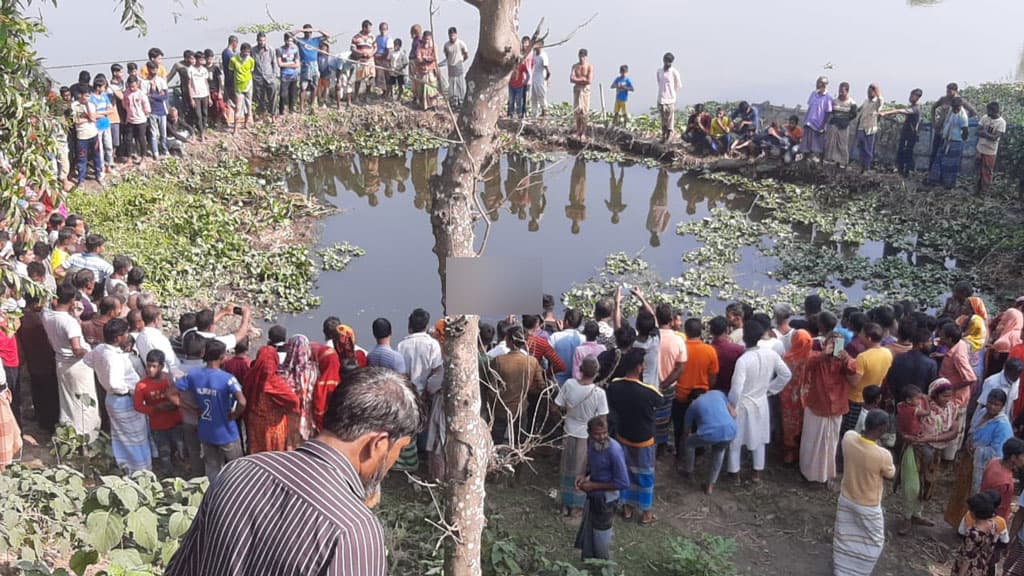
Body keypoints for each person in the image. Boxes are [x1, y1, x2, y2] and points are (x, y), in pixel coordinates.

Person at [164, 367, 423, 576]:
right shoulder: (353, 530)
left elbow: (183, 567)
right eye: (399, 449)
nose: (392, 464)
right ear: (377, 444)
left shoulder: (239, 470)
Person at [833, 410, 896, 576]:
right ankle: (859, 571)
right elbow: (890, 474)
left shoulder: (848, 438)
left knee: (845, 536)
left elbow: (856, 435)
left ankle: (842, 570)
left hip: (846, 497)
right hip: (868, 504)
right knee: (874, 541)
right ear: (881, 428)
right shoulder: (883, 455)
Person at [173, 340, 246, 481]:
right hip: (226, 431)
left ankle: (214, 494)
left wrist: (190, 408)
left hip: (206, 430)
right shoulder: (228, 379)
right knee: (238, 468)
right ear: (221, 357)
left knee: (212, 467)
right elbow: (242, 401)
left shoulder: (193, 375)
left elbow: (170, 393)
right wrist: (234, 415)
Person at [727, 321, 792, 482]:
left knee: (736, 440)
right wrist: (770, 389)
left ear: (745, 337)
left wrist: (732, 404)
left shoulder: (743, 360)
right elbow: (786, 375)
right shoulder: (770, 355)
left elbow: (736, 388)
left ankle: (735, 474)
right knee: (760, 438)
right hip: (761, 401)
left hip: (743, 403)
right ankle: (756, 473)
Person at [84, 318, 151, 472]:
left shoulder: (101, 349)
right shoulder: (112, 357)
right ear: (118, 338)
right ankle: (139, 471)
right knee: (134, 438)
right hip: (124, 400)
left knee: (122, 437)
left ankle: (127, 467)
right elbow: (115, 384)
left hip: (112, 399)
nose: (127, 336)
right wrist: (130, 390)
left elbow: (87, 360)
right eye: (125, 333)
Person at [606, 348, 661, 525]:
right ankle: (646, 512)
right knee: (645, 475)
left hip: (623, 436)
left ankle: (627, 508)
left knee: (626, 471)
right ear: (639, 368)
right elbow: (659, 403)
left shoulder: (614, 385)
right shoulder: (649, 392)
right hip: (644, 440)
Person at [43, 283, 99, 439]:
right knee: (85, 402)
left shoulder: (47, 315)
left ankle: (68, 435)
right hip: (77, 366)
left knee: (68, 402)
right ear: (73, 300)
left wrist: (75, 316)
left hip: (61, 363)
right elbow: (76, 349)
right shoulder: (69, 322)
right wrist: (91, 352)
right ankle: (86, 437)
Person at [555, 356, 609, 517]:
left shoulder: (569, 384)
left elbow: (554, 407)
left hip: (568, 431)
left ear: (580, 369)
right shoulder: (598, 393)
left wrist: (562, 419)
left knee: (566, 467)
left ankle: (564, 503)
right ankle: (576, 506)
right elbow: (602, 420)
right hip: (586, 436)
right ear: (596, 372)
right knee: (581, 470)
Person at [573, 415, 628, 560]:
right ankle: (590, 559)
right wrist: (583, 475)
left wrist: (593, 485)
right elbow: (592, 464)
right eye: (597, 434)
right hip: (594, 495)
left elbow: (623, 482)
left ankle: (604, 564)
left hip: (607, 498)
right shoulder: (591, 443)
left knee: (601, 533)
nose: (602, 437)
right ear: (590, 433)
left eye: (604, 432)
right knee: (591, 527)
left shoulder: (614, 451)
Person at [242, 336, 299, 454]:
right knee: (274, 454)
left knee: (257, 453)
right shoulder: (275, 381)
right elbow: (293, 400)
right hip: (273, 426)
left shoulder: (250, 377)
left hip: (255, 422)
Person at [672, 318, 718, 459]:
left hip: (680, 395)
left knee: (679, 427)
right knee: (699, 426)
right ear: (701, 332)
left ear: (686, 331)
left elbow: (674, 370)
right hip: (701, 396)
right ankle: (698, 452)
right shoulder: (710, 350)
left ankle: (680, 453)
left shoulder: (680, 347)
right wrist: (708, 389)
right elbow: (712, 376)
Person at [134, 349, 183, 475]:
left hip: (176, 422)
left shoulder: (170, 379)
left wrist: (174, 404)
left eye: (154, 366)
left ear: (161, 366)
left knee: (181, 450)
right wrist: (155, 409)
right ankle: (169, 478)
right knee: (164, 453)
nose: (150, 369)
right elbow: (138, 406)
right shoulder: (141, 385)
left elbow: (182, 396)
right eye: (148, 366)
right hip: (158, 426)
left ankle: (184, 474)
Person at [679, 388, 736, 494]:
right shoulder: (718, 393)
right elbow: (733, 413)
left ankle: (688, 470)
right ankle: (710, 485)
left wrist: (690, 436)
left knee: (689, 444)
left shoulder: (693, 405)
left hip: (709, 433)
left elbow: (686, 431)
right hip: (731, 430)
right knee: (719, 453)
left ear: (692, 399)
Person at [780, 329, 811, 464]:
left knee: (789, 424)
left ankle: (789, 452)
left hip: (789, 398)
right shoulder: (813, 357)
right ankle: (802, 452)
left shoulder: (786, 358)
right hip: (805, 397)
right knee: (803, 423)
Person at [926, 96, 970, 188]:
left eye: (957, 108)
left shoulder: (963, 117)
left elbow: (965, 132)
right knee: (938, 161)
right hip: (945, 139)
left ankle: (948, 184)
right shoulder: (950, 111)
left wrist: (961, 140)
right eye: (954, 107)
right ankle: (935, 181)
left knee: (951, 165)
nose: (955, 109)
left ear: (960, 107)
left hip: (955, 142)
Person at [981, 437, 1024, 525]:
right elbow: (1001, 509)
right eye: (1023, 456)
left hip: (982, 507)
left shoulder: (994, 462)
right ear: (1013, 457)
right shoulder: (1005, 483)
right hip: (992, 521)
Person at [881, 88, 923, 177]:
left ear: (917, 97)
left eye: (912, 96)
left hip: (911, 134)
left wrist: (886, 113)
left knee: (907, 152)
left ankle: (907, 171)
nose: (910, 97)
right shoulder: (912, 107)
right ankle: (901, 170)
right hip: (906, 133)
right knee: (902, 150)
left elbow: (900, 111)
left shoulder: (916, 109)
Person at [70, 86, 102, 186]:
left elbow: (93, 118)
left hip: (93, 134)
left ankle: (98, 175)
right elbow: (76, 121)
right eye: (86, 96)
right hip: (82, 137)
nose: (88, 98)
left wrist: (87, 105)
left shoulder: (91, 104)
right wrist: (87, 119)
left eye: (89, 96)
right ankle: (81, 180)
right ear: (81, 95)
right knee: (82, 159)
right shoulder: (74, 106)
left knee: (96, 156)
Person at [976, 102, 1006, 194]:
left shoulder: (1001, 122)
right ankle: (977, 188)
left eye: (988, 110)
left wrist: (985, 133)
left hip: (990, 151)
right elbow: (977, 131)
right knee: (978, 169)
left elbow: (995, 137)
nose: (987, 112)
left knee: (987, 171)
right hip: (980, 147)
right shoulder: (985, 117)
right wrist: (986, 134)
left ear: (993, 111)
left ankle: (984, 190)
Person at [709, 316, 744, 394]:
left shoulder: (706, 350)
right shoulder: (738, 350)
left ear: (711, 332)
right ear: (727, 330)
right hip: (731, 391)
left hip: (711, 391)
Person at [853, 84, 883, 172]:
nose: (869, 93)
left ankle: (866, 167)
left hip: (870, 129)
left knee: (868, 149)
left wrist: (877, 89)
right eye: (868, 91)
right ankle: (862, 166)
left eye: (871, 92)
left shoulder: (876, 103)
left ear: (874, 92)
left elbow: (881, 100)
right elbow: (859, 109)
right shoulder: (866, 101)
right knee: (861, 147)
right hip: (861, 127)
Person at [550, 310, 584, 385]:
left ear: (566, 322)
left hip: (557, 382)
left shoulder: (554, 337)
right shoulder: (583, 339)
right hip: (576, 383)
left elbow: (546, 360)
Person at [802, 76, 833, 158]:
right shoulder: (813, 94)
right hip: (809, 123)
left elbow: (828, 113)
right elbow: (810, 107)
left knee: (816, 147)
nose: (817, 85)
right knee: (806, 146)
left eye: (819, 83)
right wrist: (805, 120)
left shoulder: (828, 98)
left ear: (823, 85)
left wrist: (823, 126)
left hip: (818, 125)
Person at [122, 75, 150, 163]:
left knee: (141, 138)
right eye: (130, 86)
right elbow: (124, 105)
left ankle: (143, 156)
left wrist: (145, 114)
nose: (132, 88)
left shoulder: (141, 94)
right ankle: (130, 157)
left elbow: (146, 107)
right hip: (130, 120)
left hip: (141, 120)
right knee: (128, 139)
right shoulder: (126, 93)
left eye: (134, 86)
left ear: (137, 84)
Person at [252, 32, 279, 120]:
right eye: (260, 40)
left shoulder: (270, 50)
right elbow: (251, 64)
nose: (262, 42)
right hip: (258, 78)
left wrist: (274, 76)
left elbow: (274, 63)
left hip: (269, 77)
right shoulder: (253, 51)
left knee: (273, 97)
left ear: (265, 40)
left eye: (263, 40)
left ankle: (273, 117)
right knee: (260, 98)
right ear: (257, 40)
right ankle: (261, 117)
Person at [229, 43, 255, 133]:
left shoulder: (251, 60)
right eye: (245, 52)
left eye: (248, 52)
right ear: (241, 50)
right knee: (238, 108)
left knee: (248, 107)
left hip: (248, 86)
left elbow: (251, 71)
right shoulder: (233, 60)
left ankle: (245, 124)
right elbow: (230, 73)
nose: (247, 54)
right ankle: (235, 129)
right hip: (238, 87)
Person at [656, 53, 682, 143]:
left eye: (669, 62)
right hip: (661, 98)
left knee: (670, 119)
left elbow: (678, 85)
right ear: (663, 60)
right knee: (663, 119)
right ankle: (663, 136)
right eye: (666, 61)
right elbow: (659, 83)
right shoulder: (659, 71)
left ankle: (669, 136)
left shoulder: (674, 72)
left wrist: (672, 93)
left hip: (670, 99)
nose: (667, 63)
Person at [442, 27, 469, 108]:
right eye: (450, 35)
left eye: (453, 35)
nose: (452, 37)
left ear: (456, 35)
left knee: (460, 84)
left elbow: (466, 55)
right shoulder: (446, 45)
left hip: (459, 66)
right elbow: (447, 55)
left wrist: (461, 61)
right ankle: (453, 103)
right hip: (450, 66)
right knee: (452, 85)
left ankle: (461, 102)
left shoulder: (461, 43)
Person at [350, 21, 376, 104]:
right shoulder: (356, 37)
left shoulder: (372, 37)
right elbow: (353, 49)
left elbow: (375, 47)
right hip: (360, 60)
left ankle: (367, 96)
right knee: (359, 79)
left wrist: (371, 53)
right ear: (364, 28)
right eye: (369, 27)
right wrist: (361, 53)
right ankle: (356, 97)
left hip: (370, 60)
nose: (370, 29)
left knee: (370, 77)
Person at [569, 49, 593, 139]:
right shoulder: (575, 66)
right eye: (580, 56)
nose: (581, 58)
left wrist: (580, 80)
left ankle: (583, 132)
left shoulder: (589, 67)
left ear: (586, 57)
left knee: (584, 111)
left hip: (585, 90)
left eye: (583, 57)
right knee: (577, 110)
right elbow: (571, 78)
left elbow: (589, 81)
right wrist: (582, 79)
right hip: (577, 89)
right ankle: (578, 130)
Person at [413, 31, 439, 110]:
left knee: (431, 89)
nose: (426, 41)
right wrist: (425, 59)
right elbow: (418, 58)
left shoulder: (434, 47)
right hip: (421, 71)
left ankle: (433, 105)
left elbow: (435, 58)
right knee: (421, 89)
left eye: (428, 39)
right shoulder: (419, 47)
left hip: (430, 71)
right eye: (425, 39)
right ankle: (423, 105)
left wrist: (426, 58)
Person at [507, 37, 531, 118]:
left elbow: (528, 73)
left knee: (519, 101)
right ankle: (511, 114)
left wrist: (526, 81)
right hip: (511, 85)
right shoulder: (511, 65)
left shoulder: (522, 65)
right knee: (511, 101)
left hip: (520, 85)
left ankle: (520, 114)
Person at [277, 33, 300, 114]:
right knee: (283, 94)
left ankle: (291, 110)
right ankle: (281, 111)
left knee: (292, 94)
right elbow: (280, 64)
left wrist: (287, 64)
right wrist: (291, 63)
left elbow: (297, 64)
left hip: (294, 75)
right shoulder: (280, 50)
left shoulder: (295, 49)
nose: (289, 42)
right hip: (284, 75)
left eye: (291, 40)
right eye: (288, 40)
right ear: (284, 40)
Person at [530, 40, 550, 117]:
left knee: (542, 98)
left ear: (541, 46)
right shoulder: (534, 54)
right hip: (534, 80)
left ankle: (545, 114)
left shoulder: (543, 56)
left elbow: (548, 71)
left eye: (536, 44)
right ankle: (534, 116)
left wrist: (546, 80)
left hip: (541, 81)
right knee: (534, 99)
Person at [374, 22, 393, 95]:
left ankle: (389, 93)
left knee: (387, 77)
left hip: (385, 59)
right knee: (379, 76)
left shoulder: (389, 39)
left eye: (384, 29)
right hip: (377, 59)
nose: (383, 31)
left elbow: (388, 52)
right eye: (381, 29)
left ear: (387, 29)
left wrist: (381, 57)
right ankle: (384, 92)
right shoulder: (377, 38)